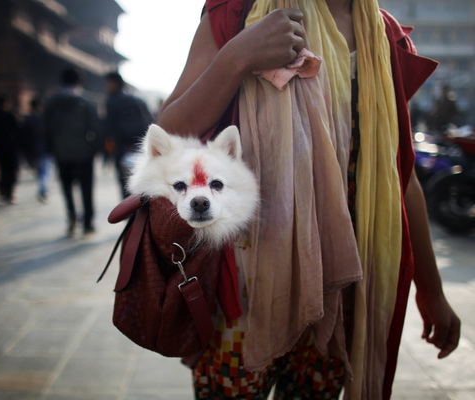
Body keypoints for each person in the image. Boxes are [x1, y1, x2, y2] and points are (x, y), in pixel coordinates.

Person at [155, 0, 461, 399]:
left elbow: (397, 172)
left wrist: (432, 288)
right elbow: (168, 134)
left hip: (343, 278)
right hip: (245, 281)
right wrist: (239, 55)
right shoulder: (241, 11)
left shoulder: (382, 37)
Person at [44, 68, 100, 237]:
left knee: (67, 186)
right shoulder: (86, 101)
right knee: (86, 188)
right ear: (78, 82)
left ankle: (72, 217)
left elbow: (46, 128)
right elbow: (95, 128)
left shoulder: (51, 102)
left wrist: (51, 148)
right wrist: (94, 149)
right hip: (84, 151)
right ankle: (88, 222)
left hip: (61, 152)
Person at [104, 71, 153, 198]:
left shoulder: (112, 102)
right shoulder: (138, 100)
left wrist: (111, 151)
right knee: (143, 184)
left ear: (115, 83)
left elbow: (110, 127)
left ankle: (130, 215)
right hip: (141, 147)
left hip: (122, 149)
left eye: (108, 84)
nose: (107, 87)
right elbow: (150, 123)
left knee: (125, 186)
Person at [21, 98, 51, 203]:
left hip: (33, 150)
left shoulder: (27, 120)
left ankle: (42, 188)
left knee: (40, 171)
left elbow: (23, 137)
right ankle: (43, 189)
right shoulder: (45, 119)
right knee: (45, 171)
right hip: (45, 149)